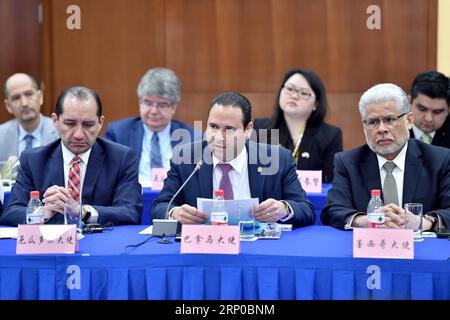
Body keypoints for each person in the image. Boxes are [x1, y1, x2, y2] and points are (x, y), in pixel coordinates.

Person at [151, 92, 315, 228]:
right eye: (213, 127)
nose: (219, 138)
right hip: (205, 248)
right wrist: (175, 213)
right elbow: (160, 206)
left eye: (229, 129)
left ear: (248, 130)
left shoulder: (278, 159)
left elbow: (306, 210)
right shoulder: (185, 157)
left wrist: (283, 209)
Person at [0, 86, 143, 226]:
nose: (79, 134)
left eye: (88, 125)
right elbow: (10, 213)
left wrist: (82, 212)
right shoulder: (33, 160)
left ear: (100, 123)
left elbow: (131, 212)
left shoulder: (121, 158)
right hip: (50, 247)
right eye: (70, 123)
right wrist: (43, 211)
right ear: (55, 121)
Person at [321, 83, 450, 230]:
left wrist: (423, 222)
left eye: (390, 119)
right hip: (369, 249)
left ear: (409, 120)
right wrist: (366, 220)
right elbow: (333, 210)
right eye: (372, 122)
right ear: (364, 126)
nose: (382, 129)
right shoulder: (348, 162)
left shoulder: (440, 159)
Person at [104, 68, 197, 183]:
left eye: (162, 105)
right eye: (148, 103)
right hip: (133, 199)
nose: (153, 111)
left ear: (174, 107)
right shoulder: (118, 134)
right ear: (140, 102)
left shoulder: (193, 138)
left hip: (174, 199)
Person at [253, 69, 343, 183]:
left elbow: (331, 182)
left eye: (304, 93)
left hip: (310, 200)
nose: (294, 96)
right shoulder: (262, 128)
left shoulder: (330, 135)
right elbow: (254, 175)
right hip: (268, 199)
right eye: (289, 89)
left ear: (316, 104)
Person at [0, 73, 58, 162]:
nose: (24, 103)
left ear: (40, 97)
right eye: (16, 98)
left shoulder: (60, 132)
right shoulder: (1, 135)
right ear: (8, 106)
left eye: (29, 94)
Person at [409, 70, 450, 148]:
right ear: (410, 102)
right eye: (422, 109)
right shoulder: (394, 127)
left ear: (448, 109)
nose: (429, 119)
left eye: (437, 112)